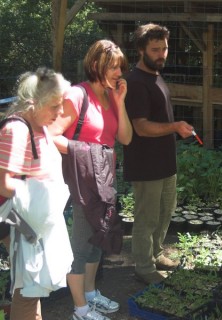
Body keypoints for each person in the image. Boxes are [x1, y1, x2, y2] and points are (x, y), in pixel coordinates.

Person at [48, 39, 132, 320]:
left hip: (105, 181)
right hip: (82, 182)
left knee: (99, 239)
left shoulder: (110, 97)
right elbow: (50, 134)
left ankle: (92, 295)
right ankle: (80, 310)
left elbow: (125, 138)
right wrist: (83, 151)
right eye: (113, 68)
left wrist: (120, 103)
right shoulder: (76, 95)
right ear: (95, 65)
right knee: (82, 245)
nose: (118, 74)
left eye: (121, 68)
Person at [123, 23, 194, 285]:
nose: (162, 54)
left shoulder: (156, 76)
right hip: (145, 164)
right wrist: (175, 127)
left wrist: (174, 129)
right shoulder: (135, 82)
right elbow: (140, 127)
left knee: (165, 211)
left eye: (164, 48)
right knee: (147, 216)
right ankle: (143, 267)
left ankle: (155, 254)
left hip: (165, 162)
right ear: (141, 50)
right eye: (155, 49)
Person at [0, 67, 73, 320]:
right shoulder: (17, 131)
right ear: (33, 104)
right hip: (17, 222)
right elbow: (4, 184)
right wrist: (47, 195)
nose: (60, 113)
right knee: (27, 288)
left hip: (33, 219)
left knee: (34, 287)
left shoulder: (39, 125)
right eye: (54, 106)